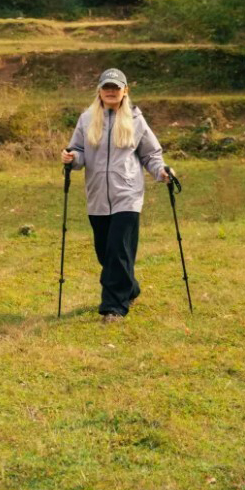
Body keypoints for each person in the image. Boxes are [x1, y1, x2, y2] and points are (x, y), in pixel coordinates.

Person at [61, 68, 170, 322]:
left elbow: (151, 155)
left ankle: (114, 307)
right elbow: (77, 151)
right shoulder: (87, 119)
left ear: (125, 91)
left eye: (116, 87)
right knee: (105, 252)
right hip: (97, 197)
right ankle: (130, 288)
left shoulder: (135, 120)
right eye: (107, 87)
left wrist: (161, 172)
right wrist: (71, 157)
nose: (111, 91)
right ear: (99, 90)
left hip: (127, 196)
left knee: (118, 250)